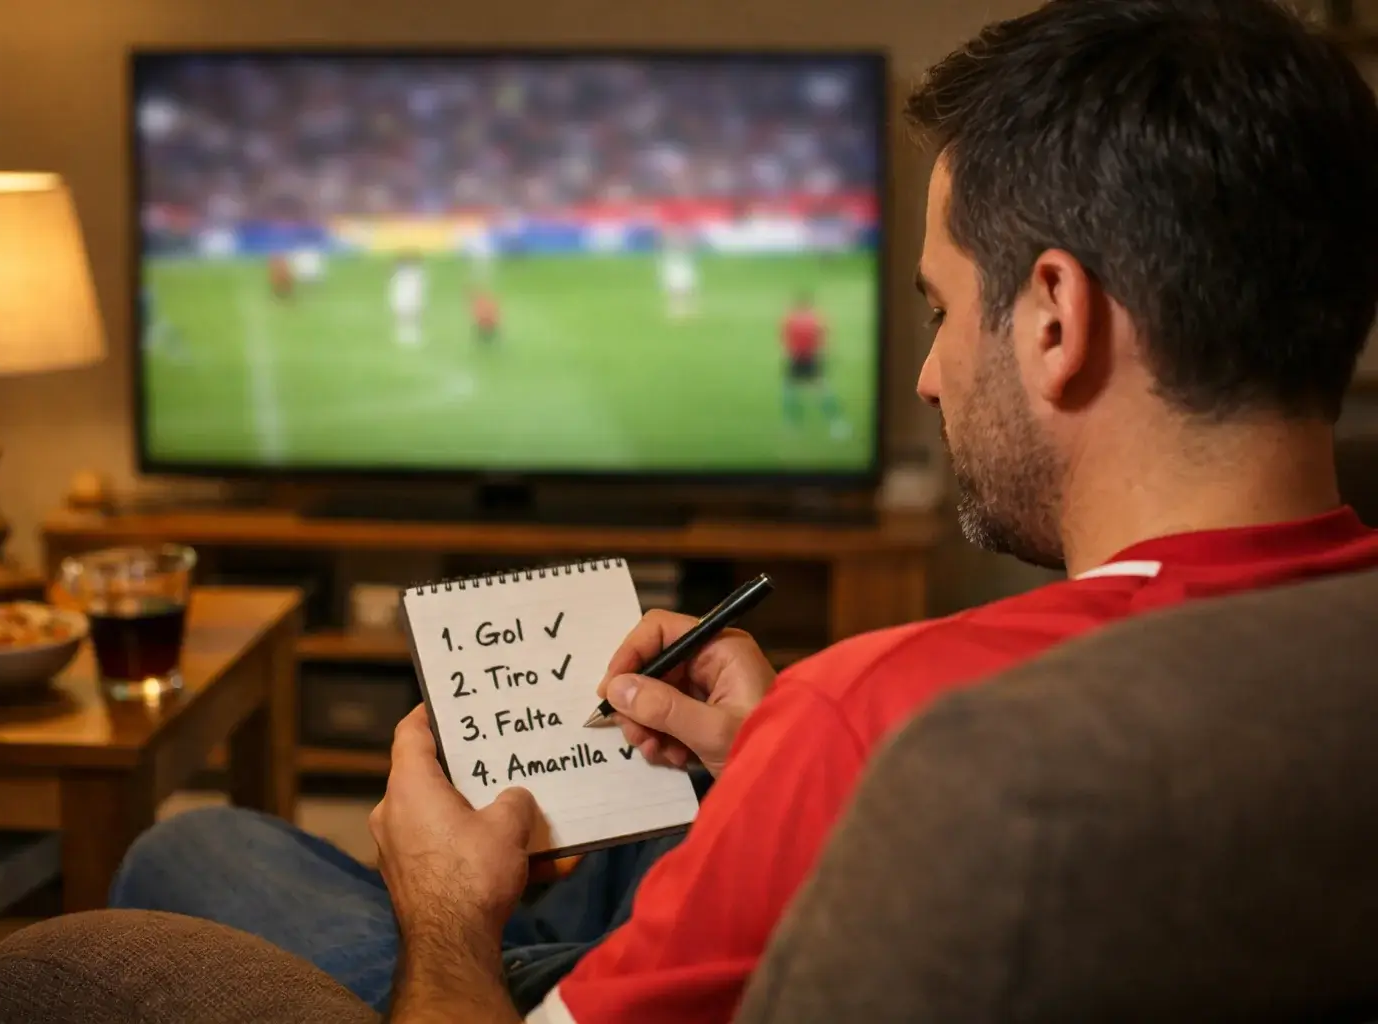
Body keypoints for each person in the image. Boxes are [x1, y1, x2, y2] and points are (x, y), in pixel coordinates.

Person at [108, 4, 1378, 1024]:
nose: (930, 376)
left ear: (1056, 317)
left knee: (190, 858)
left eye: (939, 309)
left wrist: (450, 914)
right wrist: (771, 769)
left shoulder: (878, 715)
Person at [780, 291, 848, 438]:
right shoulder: (816, 318)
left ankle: (793, 424)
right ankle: (837, 424)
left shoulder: (791, 318)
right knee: (821, 391)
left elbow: (786, 344)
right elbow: (824, 337)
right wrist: (825, 353)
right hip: (811, 359)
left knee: (789, 391)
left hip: (797, 359)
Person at [659, 230, 697, 321]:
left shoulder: (683, 259)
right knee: (676, 289)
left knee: (682, 289)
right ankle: (677, 310)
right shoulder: (671, 258)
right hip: (676, 266)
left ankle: (681, 310)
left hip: (680, 266)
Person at [388, 253, 426, 346]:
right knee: (404, 315)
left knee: (412, 314)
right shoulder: (401, 275)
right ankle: (405, 335)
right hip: (404, 298)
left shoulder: (416, 274)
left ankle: (412, 334)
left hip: (410, 298)